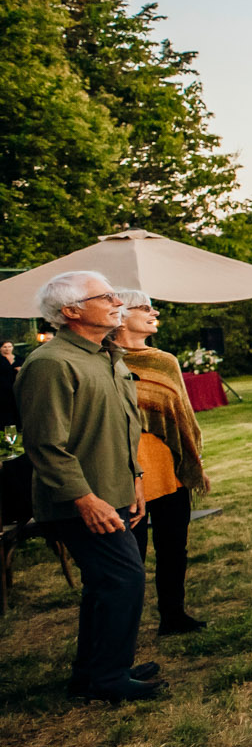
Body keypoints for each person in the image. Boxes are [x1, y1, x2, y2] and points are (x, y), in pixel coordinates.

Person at [16, 273, 162, 701]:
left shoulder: (106, 355)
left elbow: (124, 424)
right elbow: (45, 445)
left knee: (105, 585)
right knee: (123, 582)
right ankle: (109, 678)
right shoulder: (51, 364)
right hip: (80, 501)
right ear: (71, 312)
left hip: (117, 491)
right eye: (106, 296)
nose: (118, 301)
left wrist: (134, 478)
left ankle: (93, 670)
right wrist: (84, 498)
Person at [109, 291, 208, 635]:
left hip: (167, 467)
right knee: (130, 555)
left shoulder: (164, 360)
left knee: (173, 547)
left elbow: (180, 414)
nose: (155, 312)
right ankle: (126, 630)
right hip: (123, 469)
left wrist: (190, 459)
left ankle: (173, 615)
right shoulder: (103, 360)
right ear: (120, 315)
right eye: (144, 308)